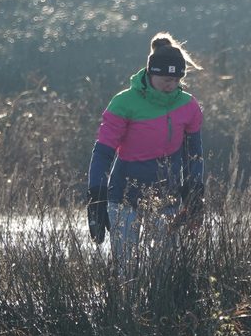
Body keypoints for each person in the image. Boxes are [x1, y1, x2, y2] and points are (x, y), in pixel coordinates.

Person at [86, 33, 205, 264]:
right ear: (150, 72)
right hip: (123, 197)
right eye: (164, 79)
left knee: (164, 272)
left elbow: (194, 156)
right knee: (125, 270)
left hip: (167, 199)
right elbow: (102, 153)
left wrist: (195, 194)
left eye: (176, 79)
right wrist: (96, 197)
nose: (170, 84)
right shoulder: (124, 102)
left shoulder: (189, 106)